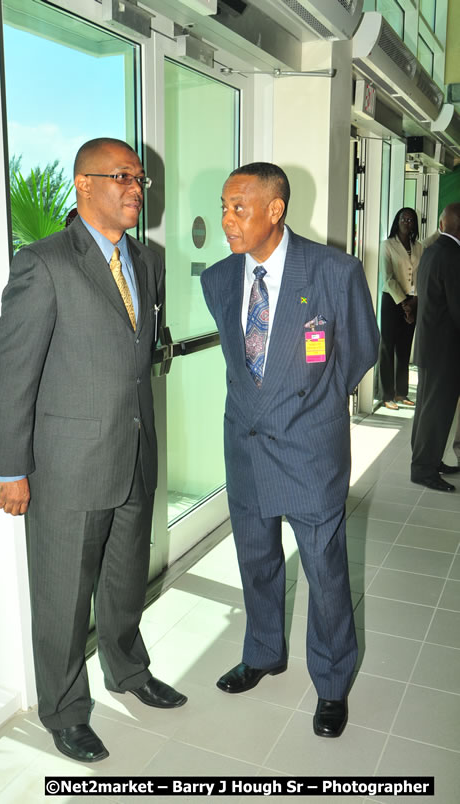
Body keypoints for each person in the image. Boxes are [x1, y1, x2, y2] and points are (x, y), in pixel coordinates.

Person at [0, 137, 186, 763]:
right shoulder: (43, 263)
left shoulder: (147, 261)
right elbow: (11, 372)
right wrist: (13, 469)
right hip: (67, 468)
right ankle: (65, 710)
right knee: (63, 598)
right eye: (123, 176)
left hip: (132, 453)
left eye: (139, 179)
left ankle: (127, 670)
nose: (136, 188)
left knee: (125, 581)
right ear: (84, 185)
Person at [201, 162, 379, 738]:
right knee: (256, 560)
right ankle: (262, 653)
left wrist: (314, 408)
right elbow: (241, 365)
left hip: (309, 448)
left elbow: (359, 351)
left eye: (238, 208)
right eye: (225, 206)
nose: (227, 220)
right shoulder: (221, 280)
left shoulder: (333, 271)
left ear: (275, 211)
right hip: (246, 446)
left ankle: (331, 683)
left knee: (326, 573)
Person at [410, 202, 460, 492]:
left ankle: (427, 460)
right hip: (445, 349)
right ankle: (423, 469)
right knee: (436, 411)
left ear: (442, 223)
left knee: (427, 410)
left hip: (430, 344)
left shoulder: (432, 250)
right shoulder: (453, 256)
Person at [376, 207, 423, 410]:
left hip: (413, 302)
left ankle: (401, 392)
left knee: (404, 348)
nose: (407, 222)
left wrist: (414, 301)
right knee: (387, 347)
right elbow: (387, 277)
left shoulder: (420, 247)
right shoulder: (387, 245)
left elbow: (422, 275)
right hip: (392, 301)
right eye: (404, 218)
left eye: (411, 219)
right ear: (397, 221)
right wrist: (405, 303)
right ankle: (386, 394)